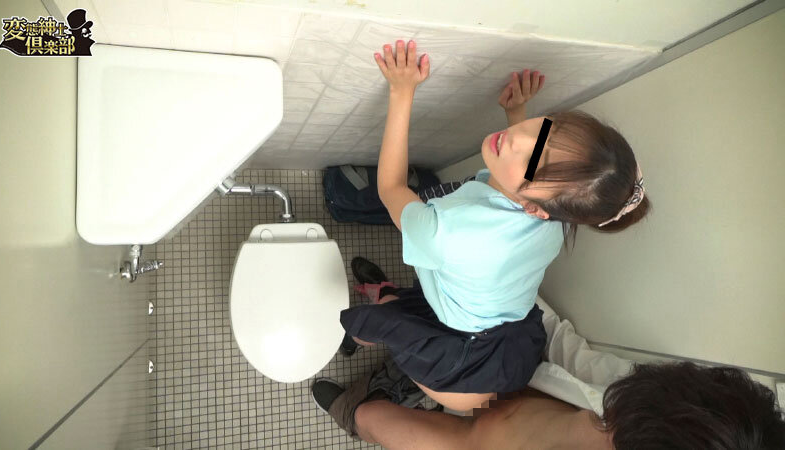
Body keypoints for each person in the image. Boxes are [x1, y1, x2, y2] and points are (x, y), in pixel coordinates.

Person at [339, 39, 653, 411]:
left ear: (536, 208)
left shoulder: (447, 233)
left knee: (379, 319)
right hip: (508, 331)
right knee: (401, 302)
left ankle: (361, 328)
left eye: (533, 163)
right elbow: (531, 168)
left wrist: (402, 91)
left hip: (461, 352)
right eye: (543, 130)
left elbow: (391, 188)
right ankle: (385, 298)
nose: (517, 140)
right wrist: (516, 112)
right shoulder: (556, 221)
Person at [317, 298, 785, 449]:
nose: (610, 422)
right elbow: (566, 346)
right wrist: (507, 290)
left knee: (372, 418)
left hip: (472, 444)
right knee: (409, 325)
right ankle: (392, 337)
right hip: (506, 389)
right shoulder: (651, 402)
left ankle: (355, 408)